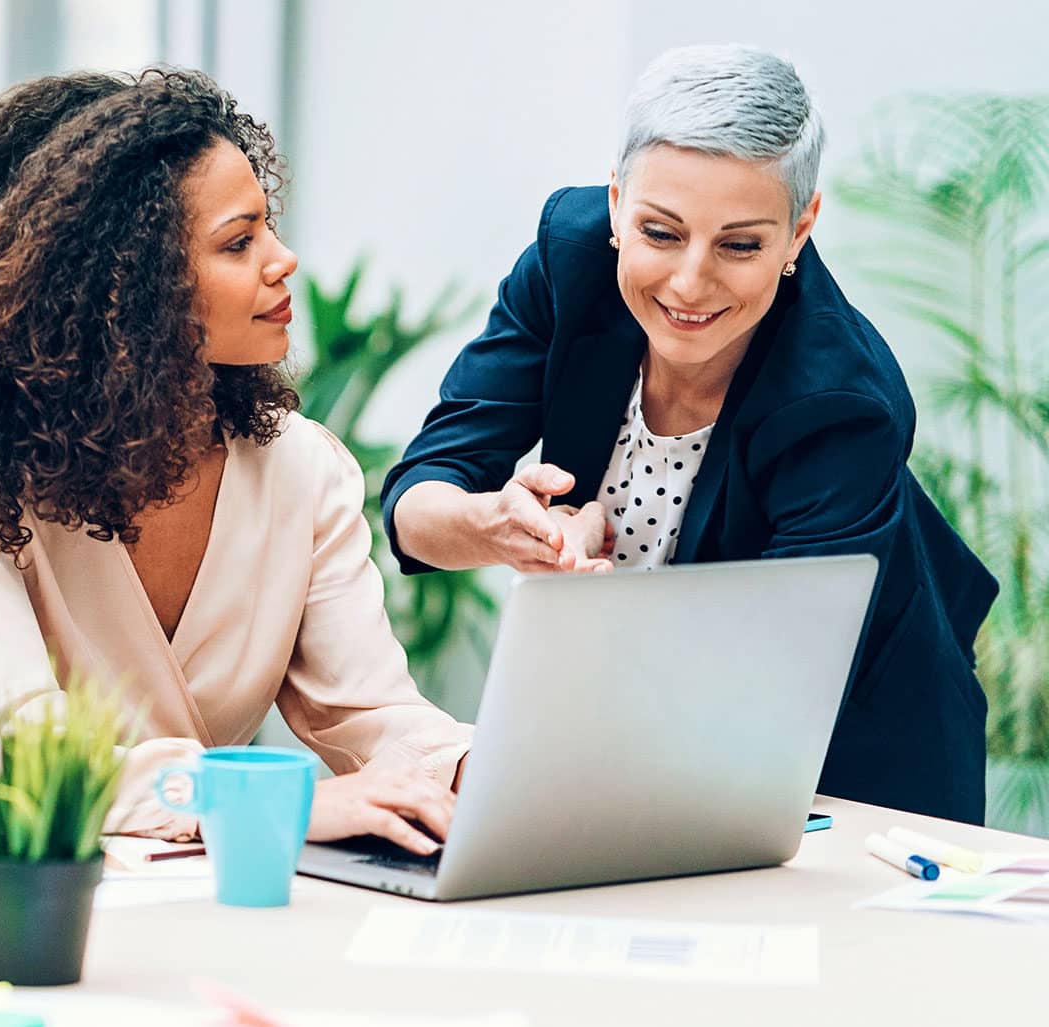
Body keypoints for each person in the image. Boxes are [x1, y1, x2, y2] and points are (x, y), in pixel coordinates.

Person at [0, 69, 471, 850]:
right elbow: (25, 755)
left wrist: (473, 767)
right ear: (128, 285)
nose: (284, 261)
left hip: (221, 904)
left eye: (267, 229)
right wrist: (281, 804)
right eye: (239, 242)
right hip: (25, 921)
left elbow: (370, 713)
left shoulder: (302, 470)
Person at [382, 45, 996, 823]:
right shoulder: (566, 265)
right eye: (661, 232)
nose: (689, 283)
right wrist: (495, 527)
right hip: (644, 742)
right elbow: (416, 499)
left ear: (800, 229)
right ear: (614, 204)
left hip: (853, 762)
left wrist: (603, 631)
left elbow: (780, 679)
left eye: (740, 244)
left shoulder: (842, 402)